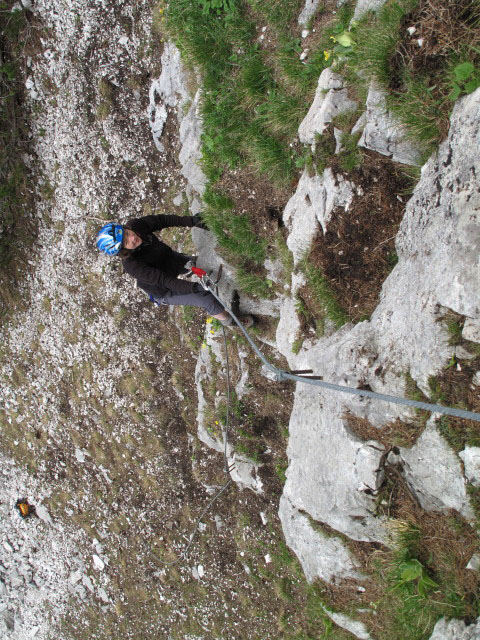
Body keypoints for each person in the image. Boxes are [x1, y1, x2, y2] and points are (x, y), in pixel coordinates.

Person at [96, 214, 252, 327]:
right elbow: (165, 281)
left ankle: (228, 280)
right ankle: (231, 322)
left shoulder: (137, 226)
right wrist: (195, 287)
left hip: (171, 260)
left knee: (203, 264)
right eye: (126, 242)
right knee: (205, 298)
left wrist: (193, 221)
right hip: (162, 290)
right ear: (122, 250)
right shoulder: (133, 266)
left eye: (127, 233)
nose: (132, 238)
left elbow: (163, 220)